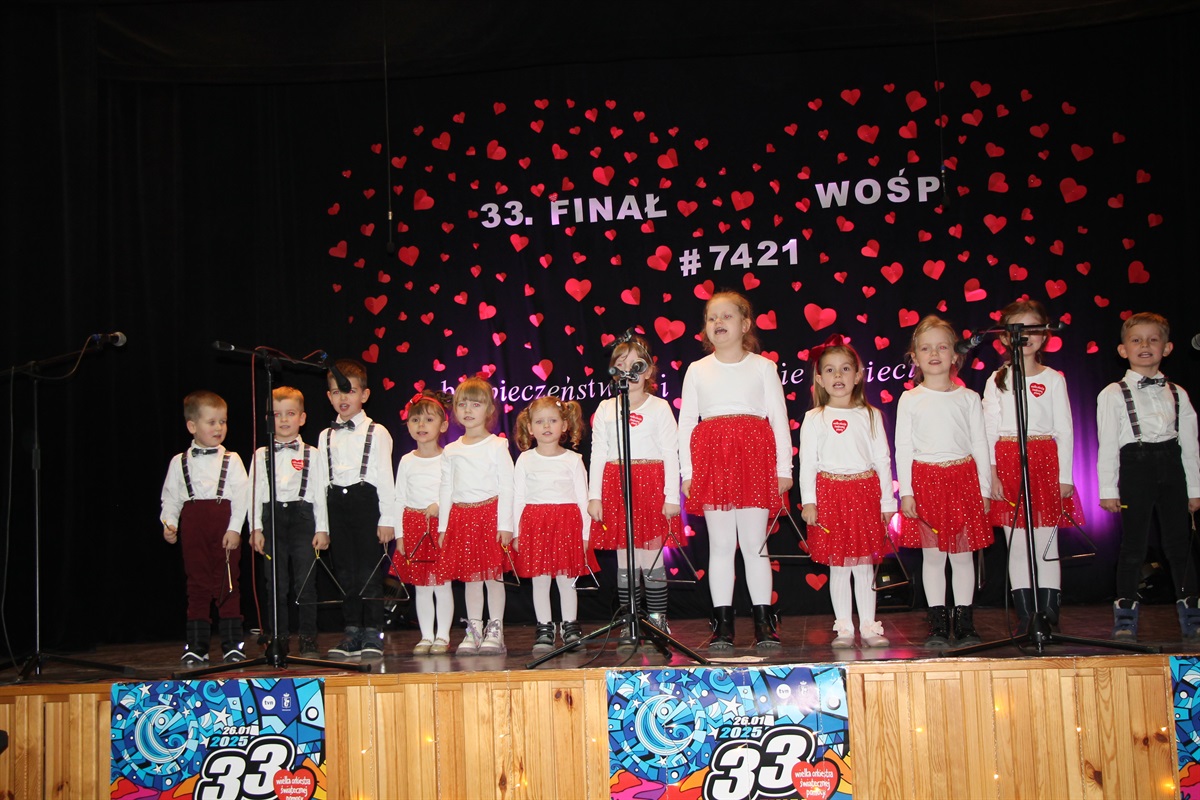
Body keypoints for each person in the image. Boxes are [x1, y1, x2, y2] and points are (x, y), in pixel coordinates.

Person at [678, 290, 793, 650]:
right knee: (722, 544)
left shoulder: (763, 367)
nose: (718, 322)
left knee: (755, 544)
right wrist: (688, 472)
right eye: (712, 317)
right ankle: (723, 624)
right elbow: (686, 424)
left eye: (727, 316)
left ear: (745, 324)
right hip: (713, 463)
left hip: (754, 460)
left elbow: (779, 419)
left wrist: (784, 468)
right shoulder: (697, 370)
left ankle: (763, 622)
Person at [1098, 312, 1200, 642]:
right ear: (1123, 349)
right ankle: (1126, 614)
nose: (1145, 345)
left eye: (1153, 339)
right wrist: (1108, 488)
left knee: (1179, 545)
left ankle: (1191, 613)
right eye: (1136, 340)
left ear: (1167, 348)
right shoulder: (1113, 393)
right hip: (1135, 467)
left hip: (1171, 466)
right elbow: (1107, 443)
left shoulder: (1178, 392)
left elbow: (1190, 445)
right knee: (1134, 545)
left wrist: (1194, 488)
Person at [982, 300, 1081, 635]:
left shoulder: (1053, 379)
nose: (1025, 336)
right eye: (1017, 329)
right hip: (1008, 460)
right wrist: (992, 473)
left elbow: (1065, 429)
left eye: (1033, 329)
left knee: (1046, 543)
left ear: (1045, 336)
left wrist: (1065, 477)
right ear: (1004, 337)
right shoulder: (997, 379)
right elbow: (988, 429)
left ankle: (1048, 614)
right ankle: (1026, 615)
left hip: (1044, 462)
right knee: (1018, 545)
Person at [895, 315, 993, 647]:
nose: (934, 354)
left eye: (942, 347)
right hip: (926, 481)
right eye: (926, 348)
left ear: (955, 354)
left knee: (962, 555)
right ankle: (937, 622)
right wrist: (907, 491)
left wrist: (984, 489)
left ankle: (964, 621)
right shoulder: (910, 399)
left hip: (963, 480)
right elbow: (903, 447)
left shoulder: (969, 398)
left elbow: (980, 444)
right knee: (934, 556)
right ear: (915, 356)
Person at [799, 335, 896, 649]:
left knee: (864, 564)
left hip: (864, 493)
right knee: (839, 565)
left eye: (845, 369)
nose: (837, 376)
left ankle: (868, 626)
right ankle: (843, 627)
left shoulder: (871, 415)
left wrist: (887, 501)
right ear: (819, 379)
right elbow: (807, 463)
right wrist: (809, 501)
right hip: (829, 494)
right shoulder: (814, 418)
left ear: (858, 376)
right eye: (829, 370)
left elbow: (883, 460)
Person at [587, 334, 681, 649]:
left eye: (636, 365)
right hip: (616, 485)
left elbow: (670, 452)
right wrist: (595, 495)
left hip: (652, 484)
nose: (630, 371)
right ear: (614, 372)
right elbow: (598, 453)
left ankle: (656, 619)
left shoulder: (660, 407)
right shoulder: (605, 408)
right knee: (625, 557)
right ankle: (630, 619)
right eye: (622, 365)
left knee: (651, 556)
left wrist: (671, 496)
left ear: (649, 370)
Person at [161, 390, 250, 664]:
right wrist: (169, 523)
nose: (219, 427)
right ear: (192, 426)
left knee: (228, 582)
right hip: (193, 527)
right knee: (197, 583)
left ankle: (232, 644)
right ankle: (196, 645)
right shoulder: (179, 462)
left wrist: (235, 529)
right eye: (211, 422)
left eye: (222, 421)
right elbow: (170, 498)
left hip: (223, 526)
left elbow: (242, 497)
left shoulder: (232, 459)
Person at [318, 359, 396, 660]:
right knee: (345, 573)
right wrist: (322, 526)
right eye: (337, 392)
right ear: (329, 396)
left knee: (368, 572)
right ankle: (352, 631)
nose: (343, 398)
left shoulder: (377, 432)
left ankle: (373, 631)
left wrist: (387, 518)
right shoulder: (325, 435)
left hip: (366, 504)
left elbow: (385, 478)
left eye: (349, 391)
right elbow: (320, 484)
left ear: (364, 395)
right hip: (336, 505)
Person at [436, 376, 515, 655]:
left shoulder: (497, 445)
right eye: (462, 404)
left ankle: (496, 629)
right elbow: (446, 488)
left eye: (476, 404)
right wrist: (444, 526)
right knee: (471, 578)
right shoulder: (451, 450)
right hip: (462, 518)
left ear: (489, 410)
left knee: (493, 577)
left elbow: (508, 486)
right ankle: (474, 629)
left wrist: (506, 524)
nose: (468, 410)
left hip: (490, 517)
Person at [248, 386, 329, 658]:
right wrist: (256, 528)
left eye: (290, 413)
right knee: (276, 584)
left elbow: (319, 493)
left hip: (303, 518)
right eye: (277, 414)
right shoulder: (260, 454)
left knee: (306, 583)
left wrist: (322, 528)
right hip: (272, 519)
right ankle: (278, 638)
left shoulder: (312, 454)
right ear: (269, 419)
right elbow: (254, 493)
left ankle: (308, 638)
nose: (283, 420)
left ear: (302, 418)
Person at [513, 397, 595, 654]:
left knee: (567, 579)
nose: (546, 426)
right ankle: (544, 627)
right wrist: (516, 532)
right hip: (535, 525)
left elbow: (583, 498)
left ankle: (570, 626)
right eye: (539, 422)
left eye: (552, 420)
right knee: (539, 580)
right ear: (530, 428)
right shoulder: (525, 459)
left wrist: (585, 534)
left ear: (564, 425)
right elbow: (518, 498)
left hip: (566, 525)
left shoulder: (573, 459)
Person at [391, 390, 454, 655]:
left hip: (439, 528)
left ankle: (443, 635)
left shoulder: (448, 457)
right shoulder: (406, 460)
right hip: (414, 526)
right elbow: (399, 498)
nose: (421, 425)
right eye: (415, 420)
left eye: (429, 420)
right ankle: (426, 635)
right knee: (421, 586)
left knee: (442, 584)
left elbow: (454, 491)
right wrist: (400, 535)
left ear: (443, 425)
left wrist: (439, 506)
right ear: (408, 425)